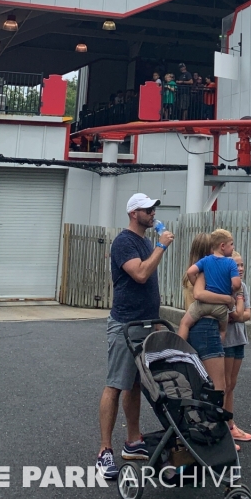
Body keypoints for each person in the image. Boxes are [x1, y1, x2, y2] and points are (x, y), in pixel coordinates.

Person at [97, 193, 174, 482]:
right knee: (116, 383)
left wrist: (155, 322)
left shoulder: (143, 241)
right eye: (147, 209)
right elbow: (140, 275)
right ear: (133, 213)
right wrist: (161, 247)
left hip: (145, 322)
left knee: (135, 383)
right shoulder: (124, 242)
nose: (152, 213)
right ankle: (105, 451)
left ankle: (133, 441)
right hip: (124, 324)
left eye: (153, 208)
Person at [181, 233, 233, 393]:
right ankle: (213, 418)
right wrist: (227, 298)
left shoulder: (189, 275)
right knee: (218, 386)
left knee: (198, 382)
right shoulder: (204, 275)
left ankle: (179, 349)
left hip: (193, 327)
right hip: (207, 325)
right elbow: (200, 295)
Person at [178, 228, 241, 343]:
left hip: (201, 309)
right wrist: (230, 295)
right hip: (216, 314)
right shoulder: (230, 263)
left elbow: (190, 272)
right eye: (231, 244)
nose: (233, 247)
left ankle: (178, 346)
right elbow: (236, 284)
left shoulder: (205, 264)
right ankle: (220, 346)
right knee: (222, 331)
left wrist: (196, 283)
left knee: (184, 323)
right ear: (221, 246)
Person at [223, 251, 251, 443]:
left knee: (232, 384)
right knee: (223, 384)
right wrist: (237, 314)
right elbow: (227, 315)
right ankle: (221, 426)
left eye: (242, 265)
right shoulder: (223, 287)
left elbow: (246, 314)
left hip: (239, 338)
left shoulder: (243, 287)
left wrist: (238, 315)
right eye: (236, 266)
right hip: (225, 342)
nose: (240, 269)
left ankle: (230, 423)